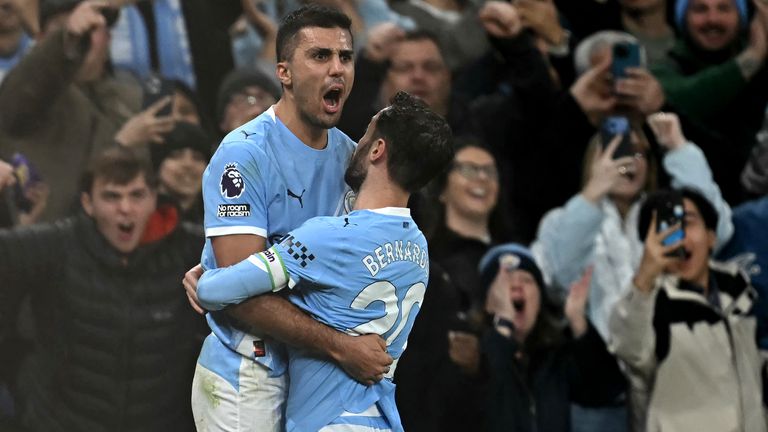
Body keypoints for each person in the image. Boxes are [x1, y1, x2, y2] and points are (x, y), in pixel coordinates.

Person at [185, 5, 392, 431]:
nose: (338, 69)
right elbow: (238, 294)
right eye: (320, 56)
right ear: (284, 72)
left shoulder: (350, 160)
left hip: (312, 377)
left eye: (345, 57)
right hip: (247, 377)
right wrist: (340, 346)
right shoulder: (244, 155)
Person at [195, 90, 453, 432]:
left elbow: (214, 290)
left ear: (378, 150)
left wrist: (205, 272)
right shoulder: (418, 247)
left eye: (366, 134)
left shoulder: (326, 237)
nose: (356, 142)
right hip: (380, 418)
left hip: (330, 423)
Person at [0, 146, 207, 431]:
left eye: (137, 195)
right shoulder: (56, 246)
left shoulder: (192, 250)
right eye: (112, 196)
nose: (126, 208)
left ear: (154, 198)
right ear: (88, 203)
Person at [609, 188, 767, 432]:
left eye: (688, 223)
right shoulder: (649, 306)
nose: (679, 236)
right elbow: (628, 348)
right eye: (667, 228)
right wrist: (644, 278)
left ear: (711, 237)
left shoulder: (739, 291)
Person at [0, 0, 143, 222]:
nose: (84, 35)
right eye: (61, 26)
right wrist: (68, 40)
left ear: (108, 39)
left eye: (93, 28)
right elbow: (24, 92)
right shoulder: (28, 93)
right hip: (39, 245)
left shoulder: (130, 102)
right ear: (41, 40)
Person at [481, 244, 627, 432]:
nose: (517, 285)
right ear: (487, 300)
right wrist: (503, 327)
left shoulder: (554, 360)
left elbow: (607, 390)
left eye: (526, 280)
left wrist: (578, 322)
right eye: (506, 280)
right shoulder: (472, 353)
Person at [652, 0, 768, 203]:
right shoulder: (664, 70)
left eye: (724, 8)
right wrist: (753, 56)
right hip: (686, 204)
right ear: (683, 18)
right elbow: (684, 103)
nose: (712, 19)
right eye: (700, 9)